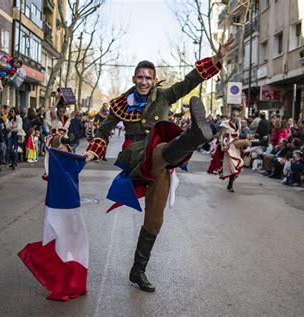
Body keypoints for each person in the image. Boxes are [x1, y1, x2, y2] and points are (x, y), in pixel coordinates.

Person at [84, 34, 235, 292]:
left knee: (155, 220)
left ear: (154, 80)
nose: (144, 81)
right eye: (140, 77)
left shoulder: (164, 97)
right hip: (136, 156)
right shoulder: (120, 104)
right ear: (133, 79)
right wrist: (91, 152)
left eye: (148, 78)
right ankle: (193, 137)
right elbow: (103, 130)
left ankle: (138, 271)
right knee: (160, 148)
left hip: (163, 165)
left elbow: (189, 81)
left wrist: (217, 58)